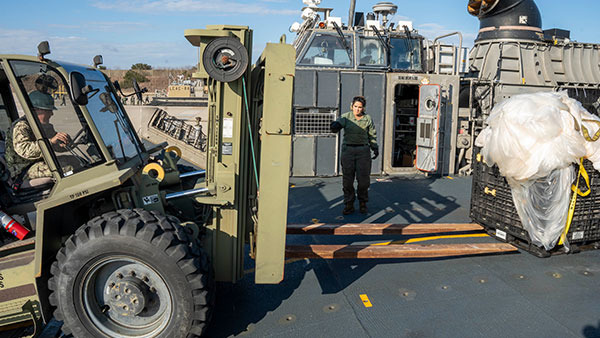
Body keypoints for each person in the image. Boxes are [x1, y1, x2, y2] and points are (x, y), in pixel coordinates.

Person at [4, 90, 71, 182]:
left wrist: (65, 144)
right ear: (35, 110)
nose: (51, 114)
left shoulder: (42, 126)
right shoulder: (22, 126)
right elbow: (24, 150)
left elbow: (54, 146)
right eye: (48, 110)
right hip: (23, 170)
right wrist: (51, 141)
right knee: (68, 169)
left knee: (76, 161)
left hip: (38, 163)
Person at [331, 96, 379, 214]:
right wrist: (335, 126)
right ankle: (349, 204)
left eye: (360, 107)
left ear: (363, 108)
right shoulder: (346, 117)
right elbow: (337, 125)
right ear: (351, 106)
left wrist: (375, 148)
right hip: (348, 151)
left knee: (363, 181)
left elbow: (372, 135)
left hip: (363, 151)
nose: (357, 109)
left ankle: (362, 203)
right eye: (355, 107)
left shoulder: (367, 119)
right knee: (347, 180)